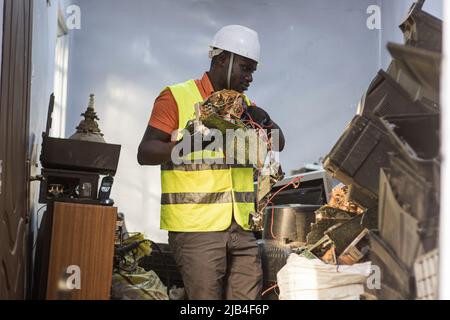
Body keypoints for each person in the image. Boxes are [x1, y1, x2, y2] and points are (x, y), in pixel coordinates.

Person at [137, 25, 285, 300]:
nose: (249, 77)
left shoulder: (244, 105)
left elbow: (278, 143)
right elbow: (145, 152)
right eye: (245, 68)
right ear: (221, 60)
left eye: (253, 70)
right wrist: (191, 143)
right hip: (196, 229)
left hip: (240, 228)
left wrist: (265, 119)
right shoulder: (176, 97)